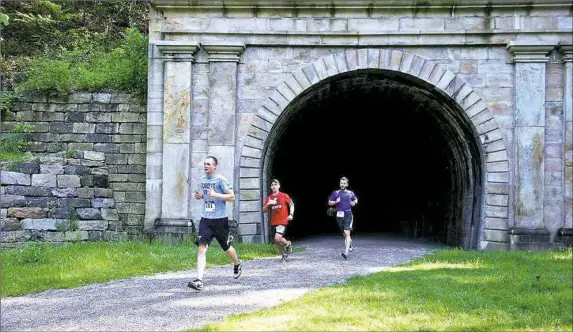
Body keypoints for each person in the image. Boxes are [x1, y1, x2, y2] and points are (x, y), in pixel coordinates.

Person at [188, 156, 242, 291]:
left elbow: (231, 197)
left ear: (214, 166)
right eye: (204, 164)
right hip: (205, 219)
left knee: (227, 248)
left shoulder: (221, 180)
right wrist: (201, 196)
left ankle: (237, 263)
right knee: (201, 248)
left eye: (208, 164)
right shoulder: (203, 179)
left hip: (220, 220)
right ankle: (199, 280)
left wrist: (216, 194)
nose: (205, 166)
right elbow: (207, 196)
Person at [262, 179, 295, 262]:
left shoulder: (284, 195)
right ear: (270, 187)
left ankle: (287, 244)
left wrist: (291, 214)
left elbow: (291, 205)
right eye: (272, 185)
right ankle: (284, 254)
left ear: (279, 186)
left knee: (277, 238)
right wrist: (269, 204)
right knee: (277, 241)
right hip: (273, 222)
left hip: (282, 221)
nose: (274, 186)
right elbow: (263, 210)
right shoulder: (269, 198)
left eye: (275, 184)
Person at [328, 176, 358, 259]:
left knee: (347, 233)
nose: (342, 184)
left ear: (347, 184)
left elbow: (356, 199)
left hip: (348, 215)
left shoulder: (350, 193)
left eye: (344, 183)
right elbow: (329, 203)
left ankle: (346, 252)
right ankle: (350, 243)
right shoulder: (336, 193)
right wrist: (335, 202)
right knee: (345, 234)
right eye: (341, 183)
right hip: (339, 216)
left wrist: (354, 203)